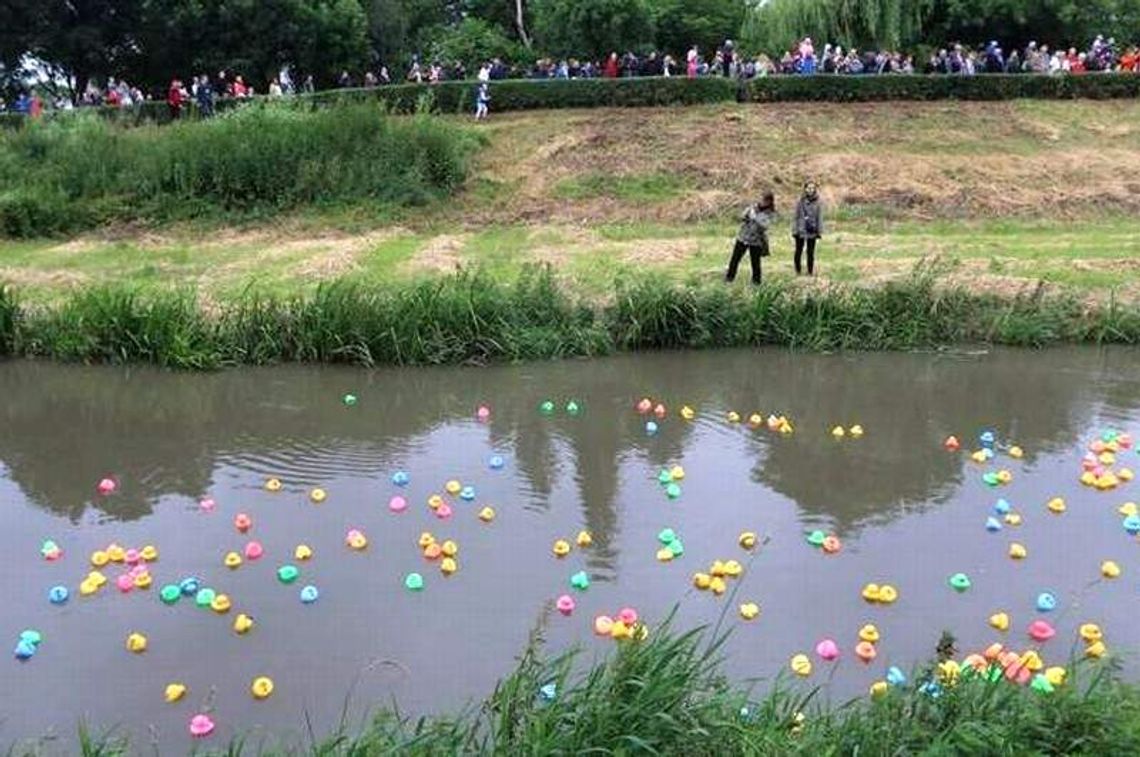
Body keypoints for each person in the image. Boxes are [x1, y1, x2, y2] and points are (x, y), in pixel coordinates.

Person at [726, 192, 775, 285]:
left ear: (769, 202)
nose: (761, 201)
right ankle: (729, 279)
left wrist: (755, 218)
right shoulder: (752, 207)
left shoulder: (769, 213)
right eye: (761, 198)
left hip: (756, 241)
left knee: (755, 263)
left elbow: (765, 226)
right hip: (743, 237)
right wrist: (745, 215)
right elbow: (741, 218)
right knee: (734, 260)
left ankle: (756, 283)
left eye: (764, 200)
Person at [792, 181, 823, 276]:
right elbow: (796, 217)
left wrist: (819, 231)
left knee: (810, 253)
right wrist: (794, 230)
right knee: (798, 251)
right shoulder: (800, 201)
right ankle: (798, 271)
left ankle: (810, 271)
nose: (810, 190)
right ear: (805, 189)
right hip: (800, 230)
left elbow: (819, 217)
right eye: (809, 188)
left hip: (812, 230)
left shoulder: (818, 202)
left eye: (812, 188)